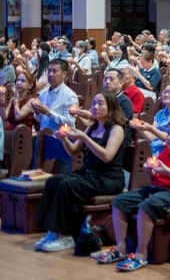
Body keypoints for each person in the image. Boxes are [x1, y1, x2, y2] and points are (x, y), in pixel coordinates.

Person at [98, 118, 170, 272]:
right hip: (157, 190)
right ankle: (121, 248)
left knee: (146, 206)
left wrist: (168, 171)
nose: (168, 137)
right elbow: (154, 180)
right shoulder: (165, 152)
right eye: (168, 133)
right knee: (119, 201)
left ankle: (141, 253)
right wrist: (148, 171)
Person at [34, 90, 126, 253]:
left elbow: (107, 156)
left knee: (68, 185)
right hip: (90, 175)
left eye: (100, 104)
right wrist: (64, 140)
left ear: (111, 107)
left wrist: (85, 138)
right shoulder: (92, 127)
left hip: (108, 178)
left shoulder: (116, 129)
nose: (95, 107)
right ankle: (52, 232)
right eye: (94, 104)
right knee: (53, 181)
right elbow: (73, 151)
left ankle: (65, 235)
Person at [31, 59, 79, 172]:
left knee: (63, 176)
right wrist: (37, 112)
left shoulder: (70, 96)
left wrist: (48, 112)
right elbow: (39, 119)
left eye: (54, 71)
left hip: (61, 143)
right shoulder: (43, 93)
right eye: (49, 71)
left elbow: (70, 122)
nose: (51, 74)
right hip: (44, 140)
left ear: (64, 74)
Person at [132, 83, 170, 156]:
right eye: (164, 92)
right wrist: (139, 128)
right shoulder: (161, 113)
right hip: (155, 149)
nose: (166, 94)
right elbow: (151, 138)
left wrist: (150, 128)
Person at [0, 70, 36, 150]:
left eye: (23, 81)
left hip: (22, 134)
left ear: (30, 85)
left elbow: (18, 117)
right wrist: (2, 105)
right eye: (18, 80)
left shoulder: (31, 101)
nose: (18, 83)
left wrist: (16, 101)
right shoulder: (14, 98)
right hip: (10, 131)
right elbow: (4, 118)